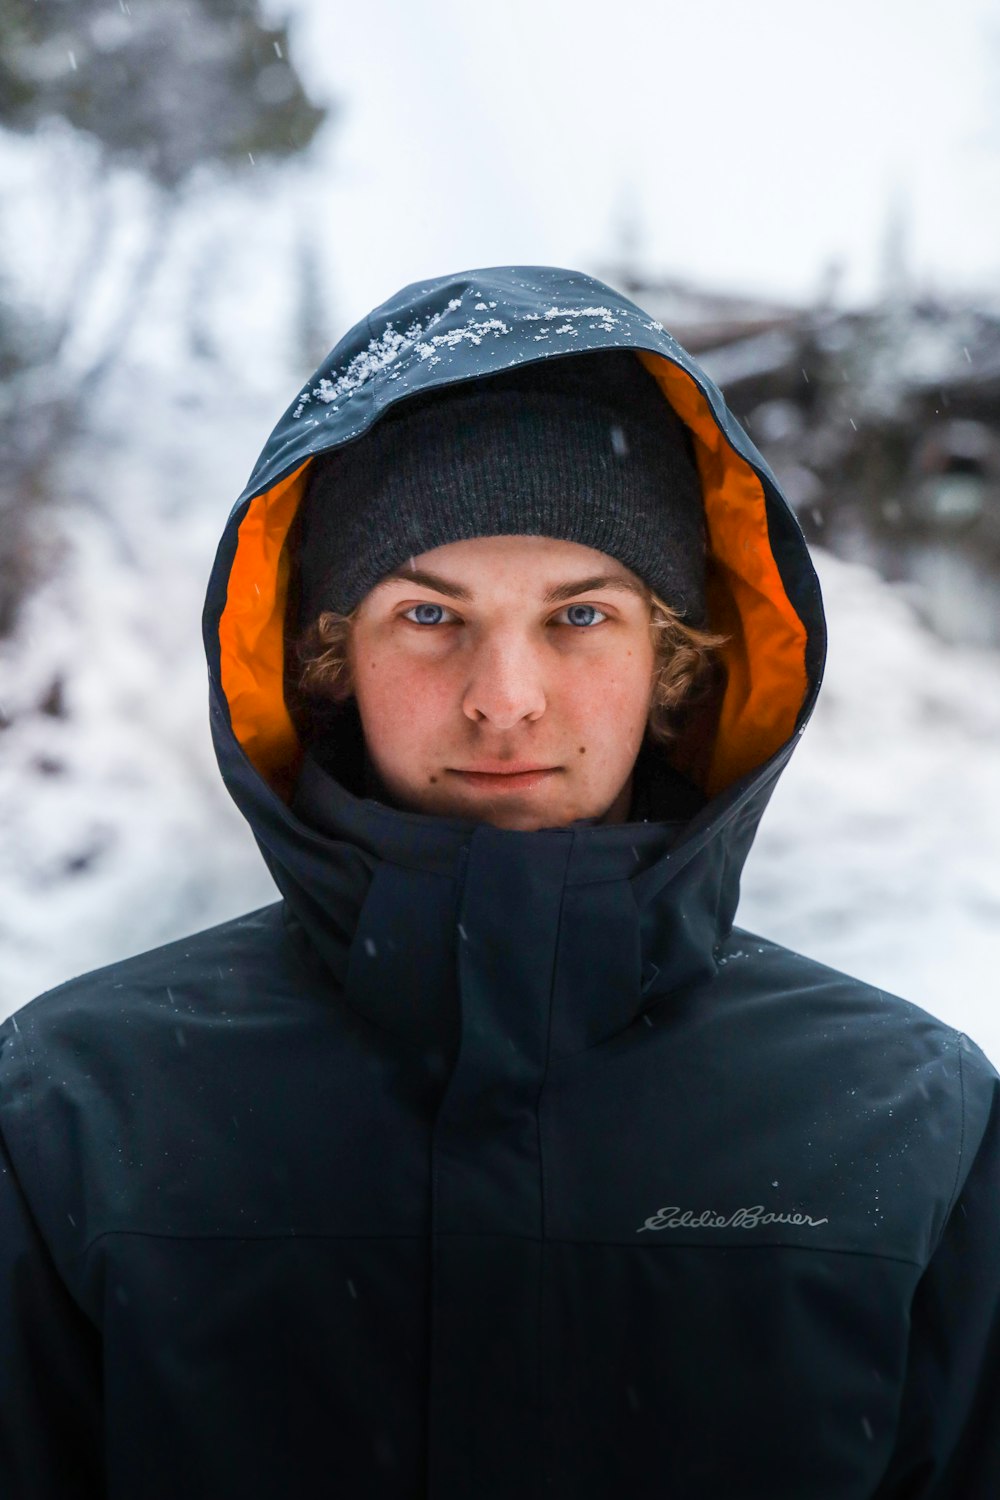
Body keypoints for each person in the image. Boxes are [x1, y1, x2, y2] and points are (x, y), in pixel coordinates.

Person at [1, 264, 997, 1498]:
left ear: (675, 659)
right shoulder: (78, 1116)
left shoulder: (908, 1123)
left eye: (579, 618)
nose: (504, 697)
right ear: (327, 655)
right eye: (428, 616)